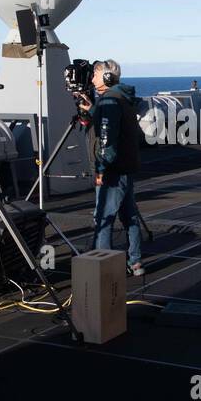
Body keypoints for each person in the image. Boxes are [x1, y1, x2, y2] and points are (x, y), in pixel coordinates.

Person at [76, 59, 145, 275]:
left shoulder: (110, 102)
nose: (92, 79)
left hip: (112, 171)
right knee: (129, 216)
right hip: (125, 167)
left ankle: (105, 267)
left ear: (107, 77)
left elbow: (107, 141)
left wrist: (101, 170)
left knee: (104, 219)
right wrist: (95, 109)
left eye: (95, 74)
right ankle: (135, 261)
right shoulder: (121, 98)